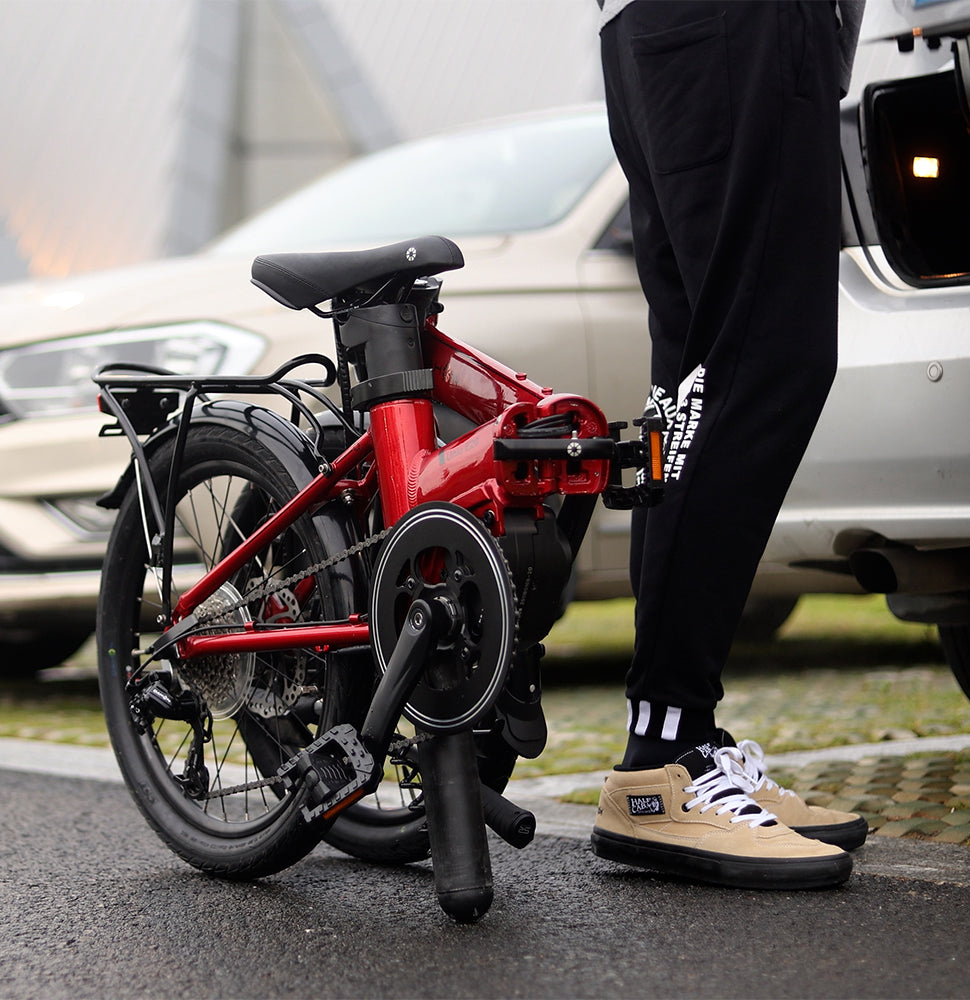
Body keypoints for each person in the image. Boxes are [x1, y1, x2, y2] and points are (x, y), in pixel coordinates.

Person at [590, 0, 868, 888]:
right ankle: (662, 760)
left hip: (653, 31)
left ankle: (680, 740)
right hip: (740, 24)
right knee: (763, 360)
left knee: (697, 382)